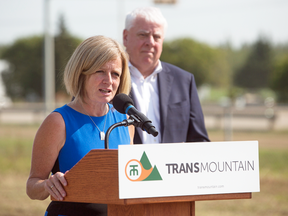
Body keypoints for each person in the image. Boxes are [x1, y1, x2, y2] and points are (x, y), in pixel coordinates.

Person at [26, 35, 134, 216]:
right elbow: (32, 186)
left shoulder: (126, 123)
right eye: (100, 71)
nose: (109, 80)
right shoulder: (58, 121)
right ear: (81, 73)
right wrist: (47, 185)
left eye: (115, 74)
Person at [123, 7, 210, 144]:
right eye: (143, 35)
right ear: (125, 37)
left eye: (156, 36)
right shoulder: (109, 80)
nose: (150, 42)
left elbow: (199, 140)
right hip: (129, 165)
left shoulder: (184, 81)